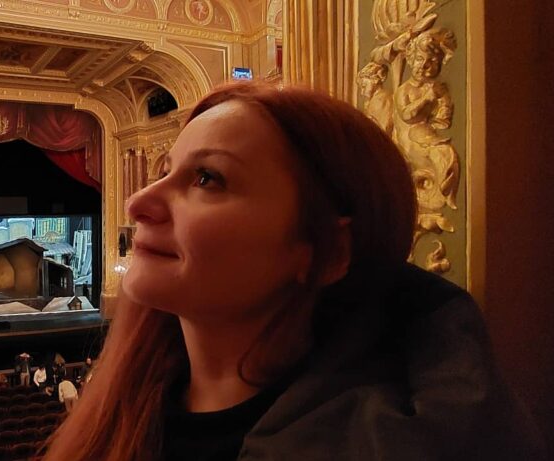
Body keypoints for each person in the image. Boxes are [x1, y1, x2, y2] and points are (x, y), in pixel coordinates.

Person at [42, 82, 545, 461]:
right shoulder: (121, 415)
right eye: (164, 171)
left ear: (325, 251)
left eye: (206, 178)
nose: (137, 201)